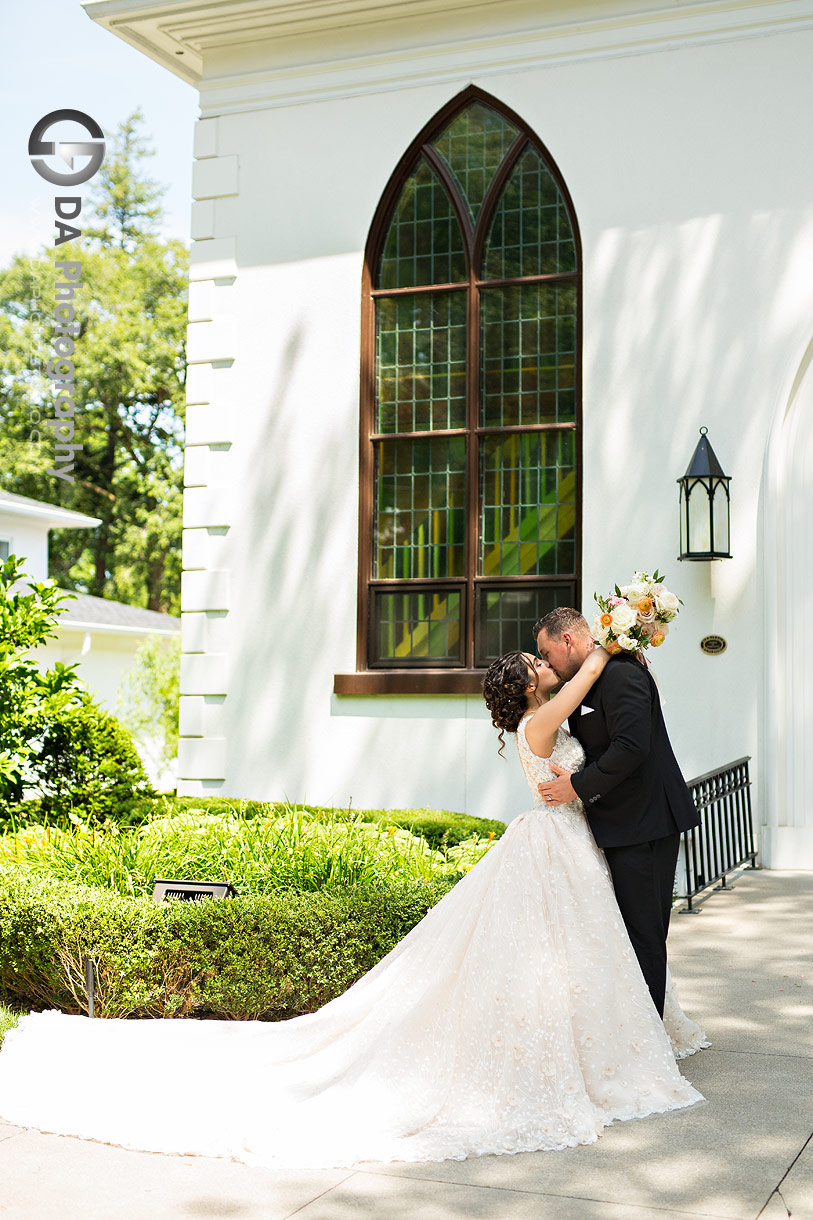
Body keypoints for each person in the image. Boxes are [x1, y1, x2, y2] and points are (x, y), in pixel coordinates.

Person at [0, 646, 705, 1169]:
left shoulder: (537, 724)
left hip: (565, 842)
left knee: (578, 949)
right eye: (534, 663)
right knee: (567, 945)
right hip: (557, 843)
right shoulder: (540, 721)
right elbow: (582, 677)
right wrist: (612, 637)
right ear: (527, 685)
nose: (545, 664)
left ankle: (602, 1035)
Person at [535, 606, 701, 1018]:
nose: (546, 661)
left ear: (568, 641)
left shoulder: (622, 673)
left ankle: (648, 1048)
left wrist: (575, 785)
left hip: (644, 824)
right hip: (616, 825)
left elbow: (631, 746)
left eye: (545, 651)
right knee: (625, 936)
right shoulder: (581, 682)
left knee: (644, 937)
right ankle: (633, 1035)